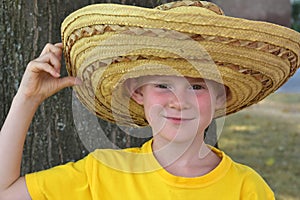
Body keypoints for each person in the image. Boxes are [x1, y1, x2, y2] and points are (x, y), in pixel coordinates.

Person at [1, 1, 299, 199]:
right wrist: (26, 99)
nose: (179, 101)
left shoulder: (247, 188)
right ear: (138, 92)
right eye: (162, 84)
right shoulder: (102, 172)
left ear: (221, 98)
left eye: (197, 87)